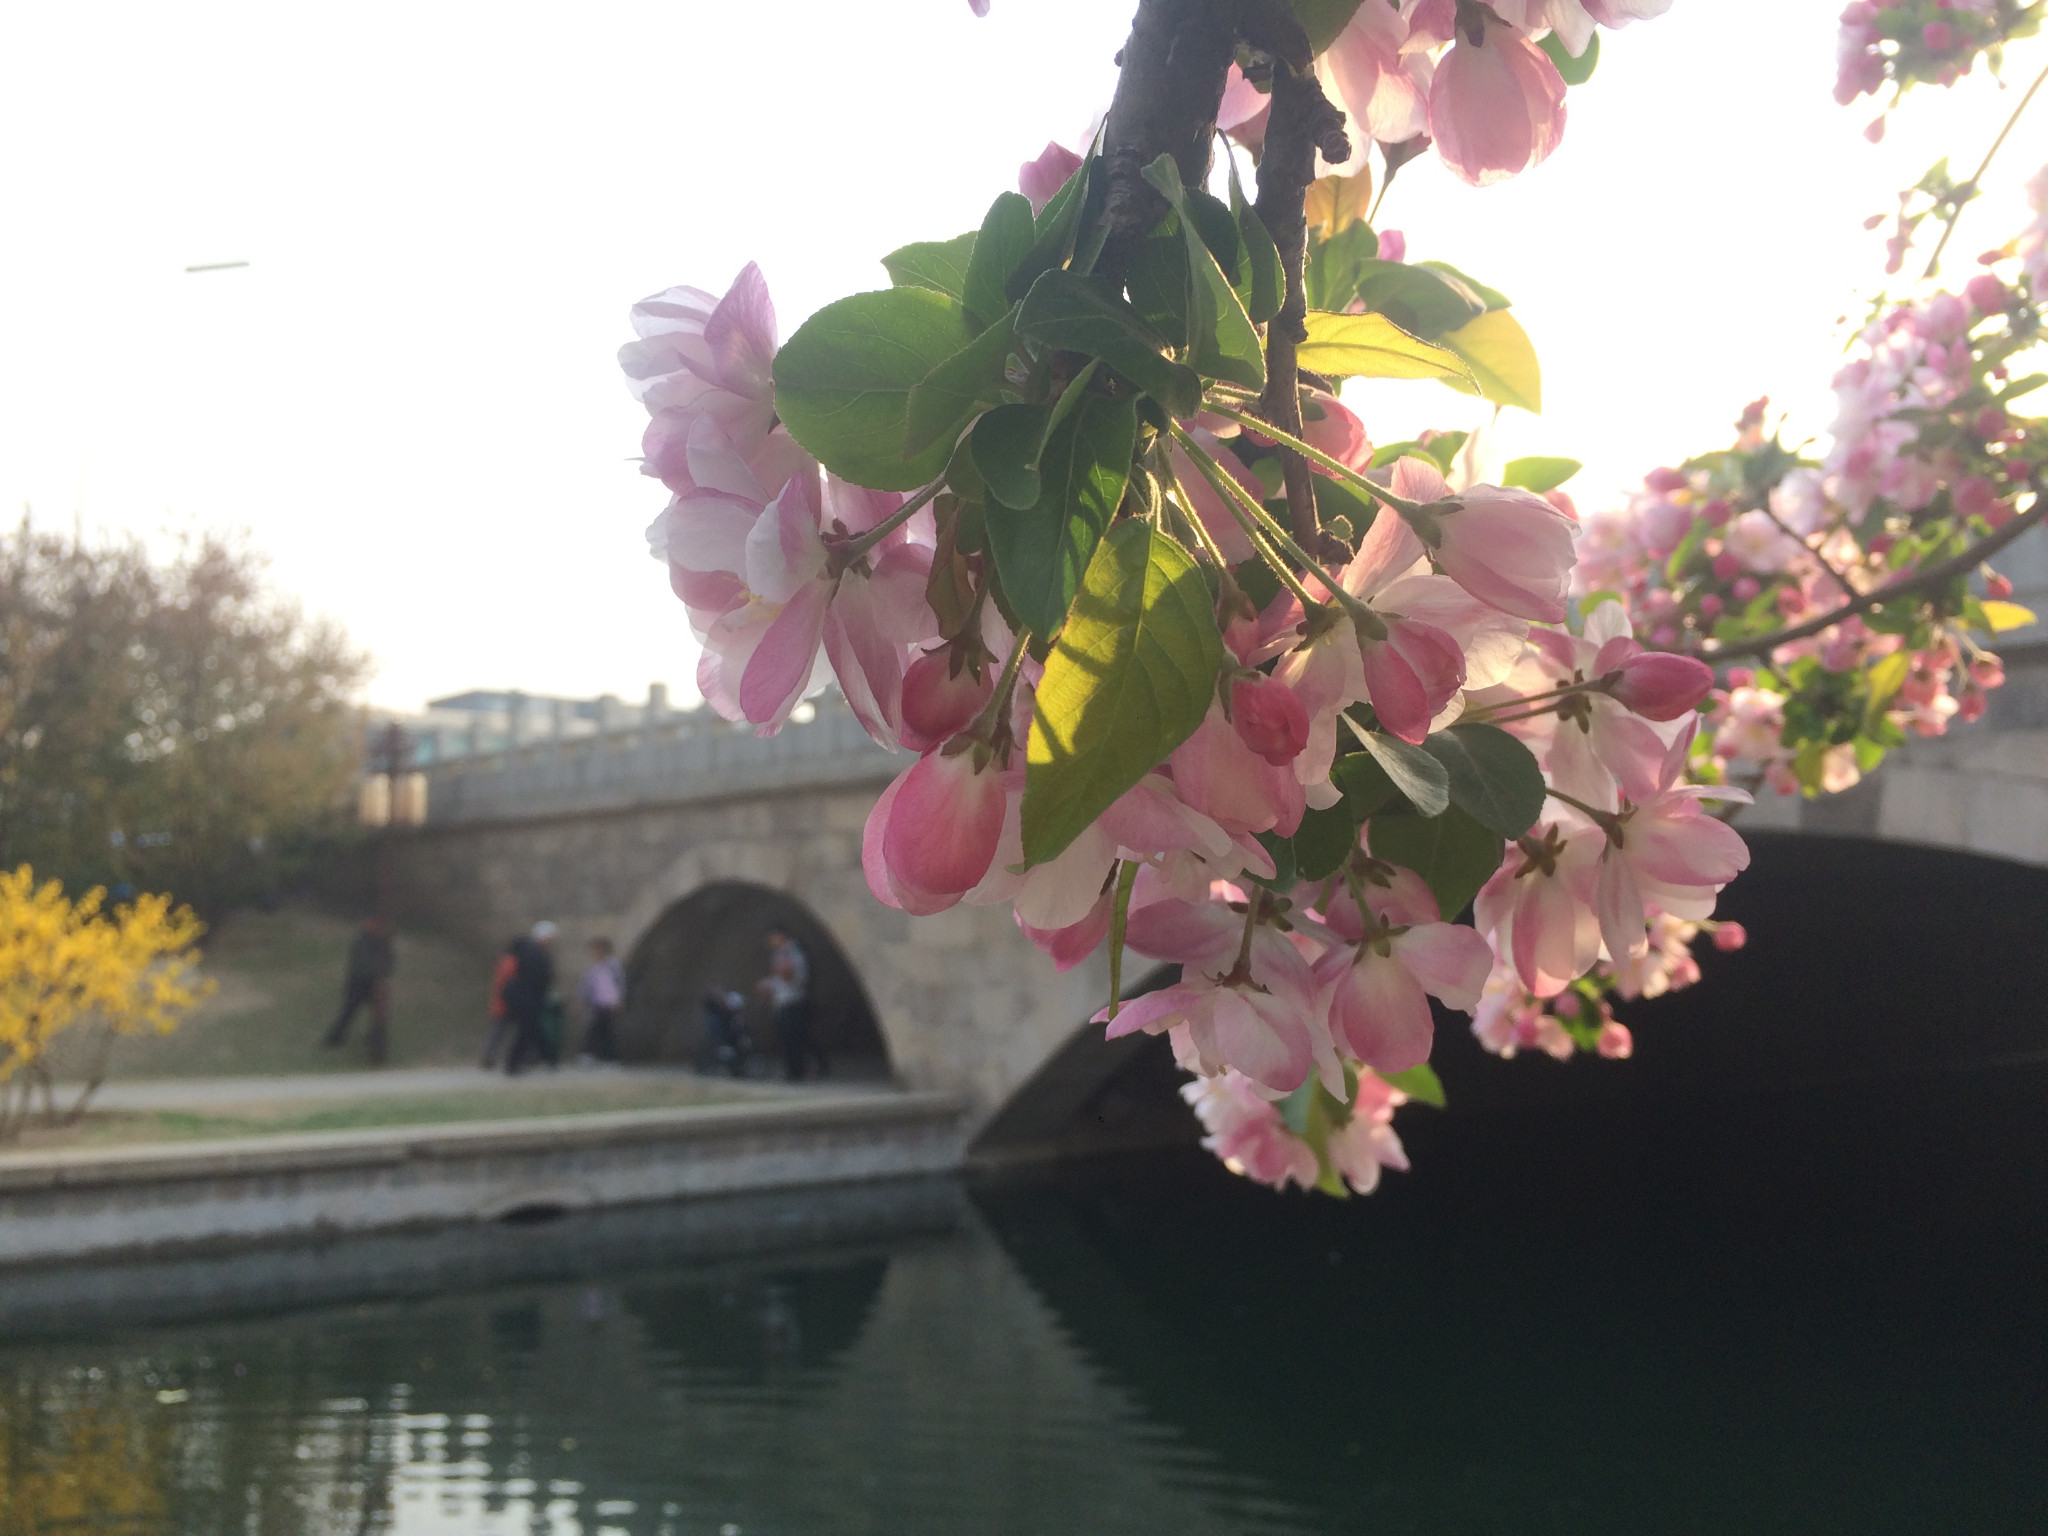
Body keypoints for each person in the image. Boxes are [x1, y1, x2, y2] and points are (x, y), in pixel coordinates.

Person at [322, 914, 395, 1064]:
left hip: (375, 985)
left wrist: (382, 975)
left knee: (378, 1018)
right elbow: (361, 966)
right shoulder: (361, 942)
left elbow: (389, 965)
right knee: (348, 1012)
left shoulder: (383, 944)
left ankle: (376, 1047)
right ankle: (335, 1039)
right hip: (358, 984)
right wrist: (377, 970)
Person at [756, 928, 825, 1082]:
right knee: (790, 1038)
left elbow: (800, 978)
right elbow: (778, 979)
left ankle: (798, 1071)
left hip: (795, 1001)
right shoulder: (779, 954)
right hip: (783, 1001)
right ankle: (796, 1069)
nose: (770, 943)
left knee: (796, 1038)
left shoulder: (794, 952)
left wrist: (787, 974)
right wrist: (767, 984)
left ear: (781, 936)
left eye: (772, 938)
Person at [502, 920, 558, 1075]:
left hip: (525, 997)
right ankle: (513, 1064)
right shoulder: (533, 954)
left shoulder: (528, 952)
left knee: (534, 1030)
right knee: (527, 1030)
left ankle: (550, 1058)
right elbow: (539, 978)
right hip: (526, 997)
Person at [578, 937, 624, 1063]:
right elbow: (586, 985)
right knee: (597, 1028)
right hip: (596, 1002)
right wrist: (584, 999)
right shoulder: (592, 968)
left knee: (605, 1030)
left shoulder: (613, 966)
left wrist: (619, 1000)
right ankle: (595, 1055)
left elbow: (619, 983)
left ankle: (607, 1056)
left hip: (609, 1002)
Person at [479, 939, 521, 1068]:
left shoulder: (503, 962)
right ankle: (490, 1056)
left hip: (499, 1002)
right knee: (503, 1031)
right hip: (507, 1002)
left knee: (496, 1032)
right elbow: (510, 983)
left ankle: (489, 1055)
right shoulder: (513, 963)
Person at [700, 987, 748, 1076]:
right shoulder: (716, 1018)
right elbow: (721, 1034)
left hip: (729, 1039)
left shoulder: (725, 1016)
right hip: (724, 1042)